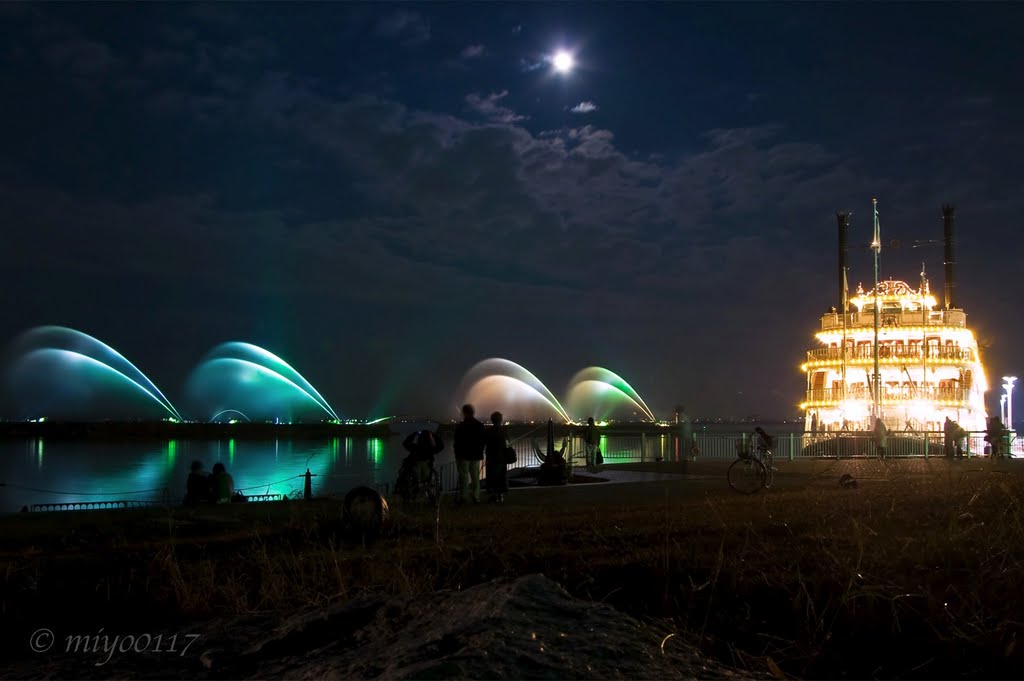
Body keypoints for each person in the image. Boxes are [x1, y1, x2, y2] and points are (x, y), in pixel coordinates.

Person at [453, 404, 485, 504]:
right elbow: (482, 441)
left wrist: (457, 452)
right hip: (475, 455)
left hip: (463, 455)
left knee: (463, 477)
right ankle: (476, 497)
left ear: (464, 413)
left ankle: (463, 497)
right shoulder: (479, 425)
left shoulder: (461, 426)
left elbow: (457, 442)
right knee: (475, 477)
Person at [402, 429, 445, 497]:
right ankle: (427, 491)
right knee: (427, 477)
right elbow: (441, 446)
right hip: (427, 472)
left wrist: (414, 434)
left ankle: (416, 488)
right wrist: (433, 435)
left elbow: (405, 443)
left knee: (414, 473)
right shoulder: (430, 449)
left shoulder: (415, 448)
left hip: (416, 470)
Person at [484, 411, 510, 502]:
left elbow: (485, 443)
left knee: (492, 476)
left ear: (492, 420)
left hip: (491, 458)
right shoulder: (504, 431)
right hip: (502, 458)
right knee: (501, 476)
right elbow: (507, 443)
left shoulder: (488, 431)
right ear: (500, 420)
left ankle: (494, 495)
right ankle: (501, 495)